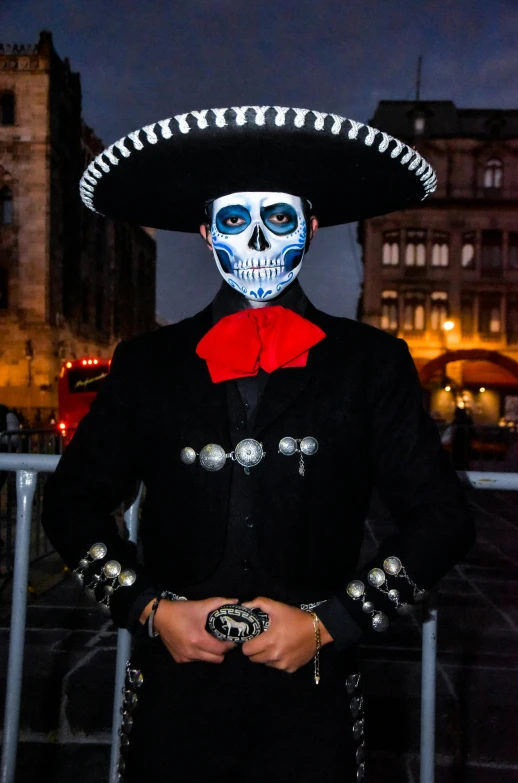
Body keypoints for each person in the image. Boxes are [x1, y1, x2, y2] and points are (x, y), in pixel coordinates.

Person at [42, 106, 474, 783]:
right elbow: (70, 502)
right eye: (236, 220)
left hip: (312, 699)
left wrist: (332, 623)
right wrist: (149, 608)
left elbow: (443, 516)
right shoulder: (149, 361)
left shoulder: (370, 362)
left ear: (311, 226)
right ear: (210, 233)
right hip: (177, 697)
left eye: (278, 218)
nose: (257, 240)